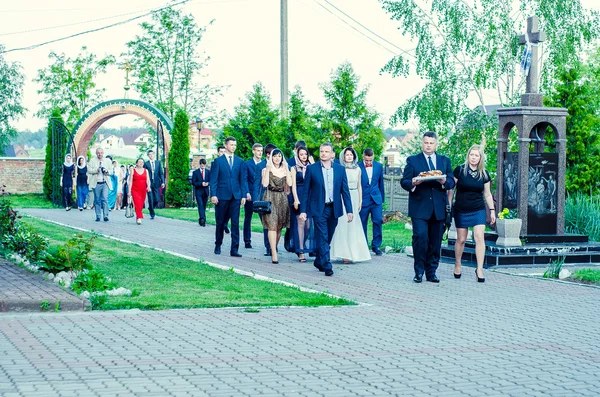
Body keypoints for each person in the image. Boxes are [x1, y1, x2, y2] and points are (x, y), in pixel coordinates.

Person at [401, 131, 454, 283]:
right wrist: (413, 182)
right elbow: (404, 181)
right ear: (422, 143)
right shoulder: (413, 160)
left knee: (435, 241)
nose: (428, 145)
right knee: (420, 238)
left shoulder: (444, 161)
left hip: (438, 208)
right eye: (426, 143)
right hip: (419, 208)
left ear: (436, 144)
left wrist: (444, 182)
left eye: (431, 143)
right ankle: (419, 271)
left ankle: (432, 272)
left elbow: (451, 182)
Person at [299, 142, 353, 277]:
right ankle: (327, 265)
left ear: (332, 154)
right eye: (321, 151)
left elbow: (344, 191)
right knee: (322, 236)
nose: (323, 154)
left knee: (327, 236)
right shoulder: (312, 169)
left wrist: (349, 210)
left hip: (334, 208)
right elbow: (306, 191)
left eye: (326, 151)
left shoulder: (340, 170)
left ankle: (319, 260)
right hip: (318, 209)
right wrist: (303, 210)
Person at [449, 144, 495, 283]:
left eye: (477, 155)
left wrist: (492, 211)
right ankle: (458, 264)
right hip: (461, 208)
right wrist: (449, 204)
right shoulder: (460, 170)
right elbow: (451, 188)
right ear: (468, 156)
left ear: (480, 158)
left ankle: (479, 269)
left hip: (478, 209)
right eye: (472, 155)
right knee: (461, 239)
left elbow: (487, 194)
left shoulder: (484, 174)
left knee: (479, 237)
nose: (474, 158)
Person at [209, 136, 249, 257]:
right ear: (226, 145)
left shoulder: (239, 161)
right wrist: (213, 195)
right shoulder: (218, 162)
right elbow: (213, 180)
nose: (233, 147)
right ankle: (218, 244)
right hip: (222, 196)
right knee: (220, 222)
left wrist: (243, 195)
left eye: (235, 145)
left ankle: (234, 249)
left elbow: (242, 179)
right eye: (231, 144)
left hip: (236, 196)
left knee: (235, 223)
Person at [330, 148, 371, 263]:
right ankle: (343, 253)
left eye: (351, 155)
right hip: (343, 197)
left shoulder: (358, 169)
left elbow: (359, 185)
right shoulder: (340, 169)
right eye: (347, 155)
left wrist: (360, 201)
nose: (349, 157)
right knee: (343, 224)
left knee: (354, 225)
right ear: (343, 156)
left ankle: (355, 253)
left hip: (355, 195)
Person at [260, 149, 292, 264]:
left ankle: (274, 247)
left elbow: (290, 183)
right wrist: (268, 168)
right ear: (271, 157)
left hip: (282, 199)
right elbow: (264, 184)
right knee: (272, 225)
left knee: (279, 227)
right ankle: (273, 252)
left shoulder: (285, 170)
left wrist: (287, 169)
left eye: (279, 156)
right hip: (270, 197)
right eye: (275, 156)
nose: (277, 158)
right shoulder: (265, 169)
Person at [358, 148, 385, 256]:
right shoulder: (358, 166)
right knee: (362, 223)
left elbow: (381, 183)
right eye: (367, 160)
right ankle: (364, 246)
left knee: (378, 221)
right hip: (363, 199)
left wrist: (382, 199)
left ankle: (376, 246)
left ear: (373, 157)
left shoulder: (378, 166)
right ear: (363, 157)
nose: (369, 162)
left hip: (376, 199)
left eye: (370, 160)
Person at [291, 146, 315, 262]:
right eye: (301, 154)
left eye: (305, 154)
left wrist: (313, 164)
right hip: (299, 195)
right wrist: (296, 199)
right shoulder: (294, 168)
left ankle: (303, 243)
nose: (303, 156)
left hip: (310, 197)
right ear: (297, 155)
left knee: (308, 226)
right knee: (300, 224)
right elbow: (293, 186)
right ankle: (300, 250)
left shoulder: (312, 167)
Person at [254, 143, 277, 256]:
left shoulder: (279, 165)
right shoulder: (261, 166)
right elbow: (257, 184)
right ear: (268, 155)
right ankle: (268, 247)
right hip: (264, 199)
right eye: (273, 154)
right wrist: (256, 199)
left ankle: (274, 245)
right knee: (267, 224)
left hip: (277, 198)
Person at [242, 143, 263, 248]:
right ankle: (247, 241)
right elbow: (244, 179)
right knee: (248, 218)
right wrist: (246, 192)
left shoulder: (265, 164)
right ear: (253, 151)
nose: (260, 153)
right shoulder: (247, 164)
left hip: (261, 196)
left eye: (261, 151)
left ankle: (268, 245)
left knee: (264, 219)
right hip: (250, 195)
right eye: (258, 150)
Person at [87, 148, 113, 222]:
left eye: (101, 153)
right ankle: (98, 216)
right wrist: (96, 170)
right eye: (98, 153)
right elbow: (89, 170)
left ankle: (105, 216)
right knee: (97, 200)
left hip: (105, 182)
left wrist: (106, 171)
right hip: (96, 183)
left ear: (103, 153)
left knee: (105, 199)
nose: (100, 154)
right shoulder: (92, 160)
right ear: (96, 153)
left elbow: (111, 171)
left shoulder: (107, 161)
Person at [212, 146, 230, 234]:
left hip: (230, 192)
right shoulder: (216, 162)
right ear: (218, 153)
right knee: (220, 214)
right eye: (221, 152)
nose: (223, 153)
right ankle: (221, 224)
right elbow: (213, 178)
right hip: (220, 191)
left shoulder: (231, 162)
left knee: (229, 213)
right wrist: (213, 194)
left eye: (224, 151)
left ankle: (225, 223)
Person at [128, 158, 151, 225]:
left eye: (142, 162)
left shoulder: (145, 170)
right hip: (135, 189)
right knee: (137, 202)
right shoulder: (133, 170)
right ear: (136, 163)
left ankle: (138, 215)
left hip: (143, 189)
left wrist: (148, 186)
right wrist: (129, 191)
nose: (141, 163)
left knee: (140, 204)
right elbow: (130, 181)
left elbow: (148, 180)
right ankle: (139, 218)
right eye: (139, 162)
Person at [144, 150, 164, 220]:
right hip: (149, 183)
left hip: (156, 183)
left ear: (154, 155)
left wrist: (162, 182)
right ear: (148, 155)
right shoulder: (146, 164)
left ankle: (151, 207)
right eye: (149, 154)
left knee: (157, 199)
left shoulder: (158, 163)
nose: (151, 156)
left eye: (152, 154)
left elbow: (161, 173)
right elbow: (144, 174)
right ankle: (152, 213)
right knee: (150, 198)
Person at [191, 158, 210, 226]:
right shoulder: (195, 172)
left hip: (206, 191)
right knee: (200, 205)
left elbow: (211, 181)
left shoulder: (208, 172)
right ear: (200, 164)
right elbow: (193, 182)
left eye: (204, 164)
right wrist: (201, 184)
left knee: (204, 206)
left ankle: (201, 219)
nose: (202, 165)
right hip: (198, 191)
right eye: (201, 164)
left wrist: (208, 183)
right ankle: (203, 219)